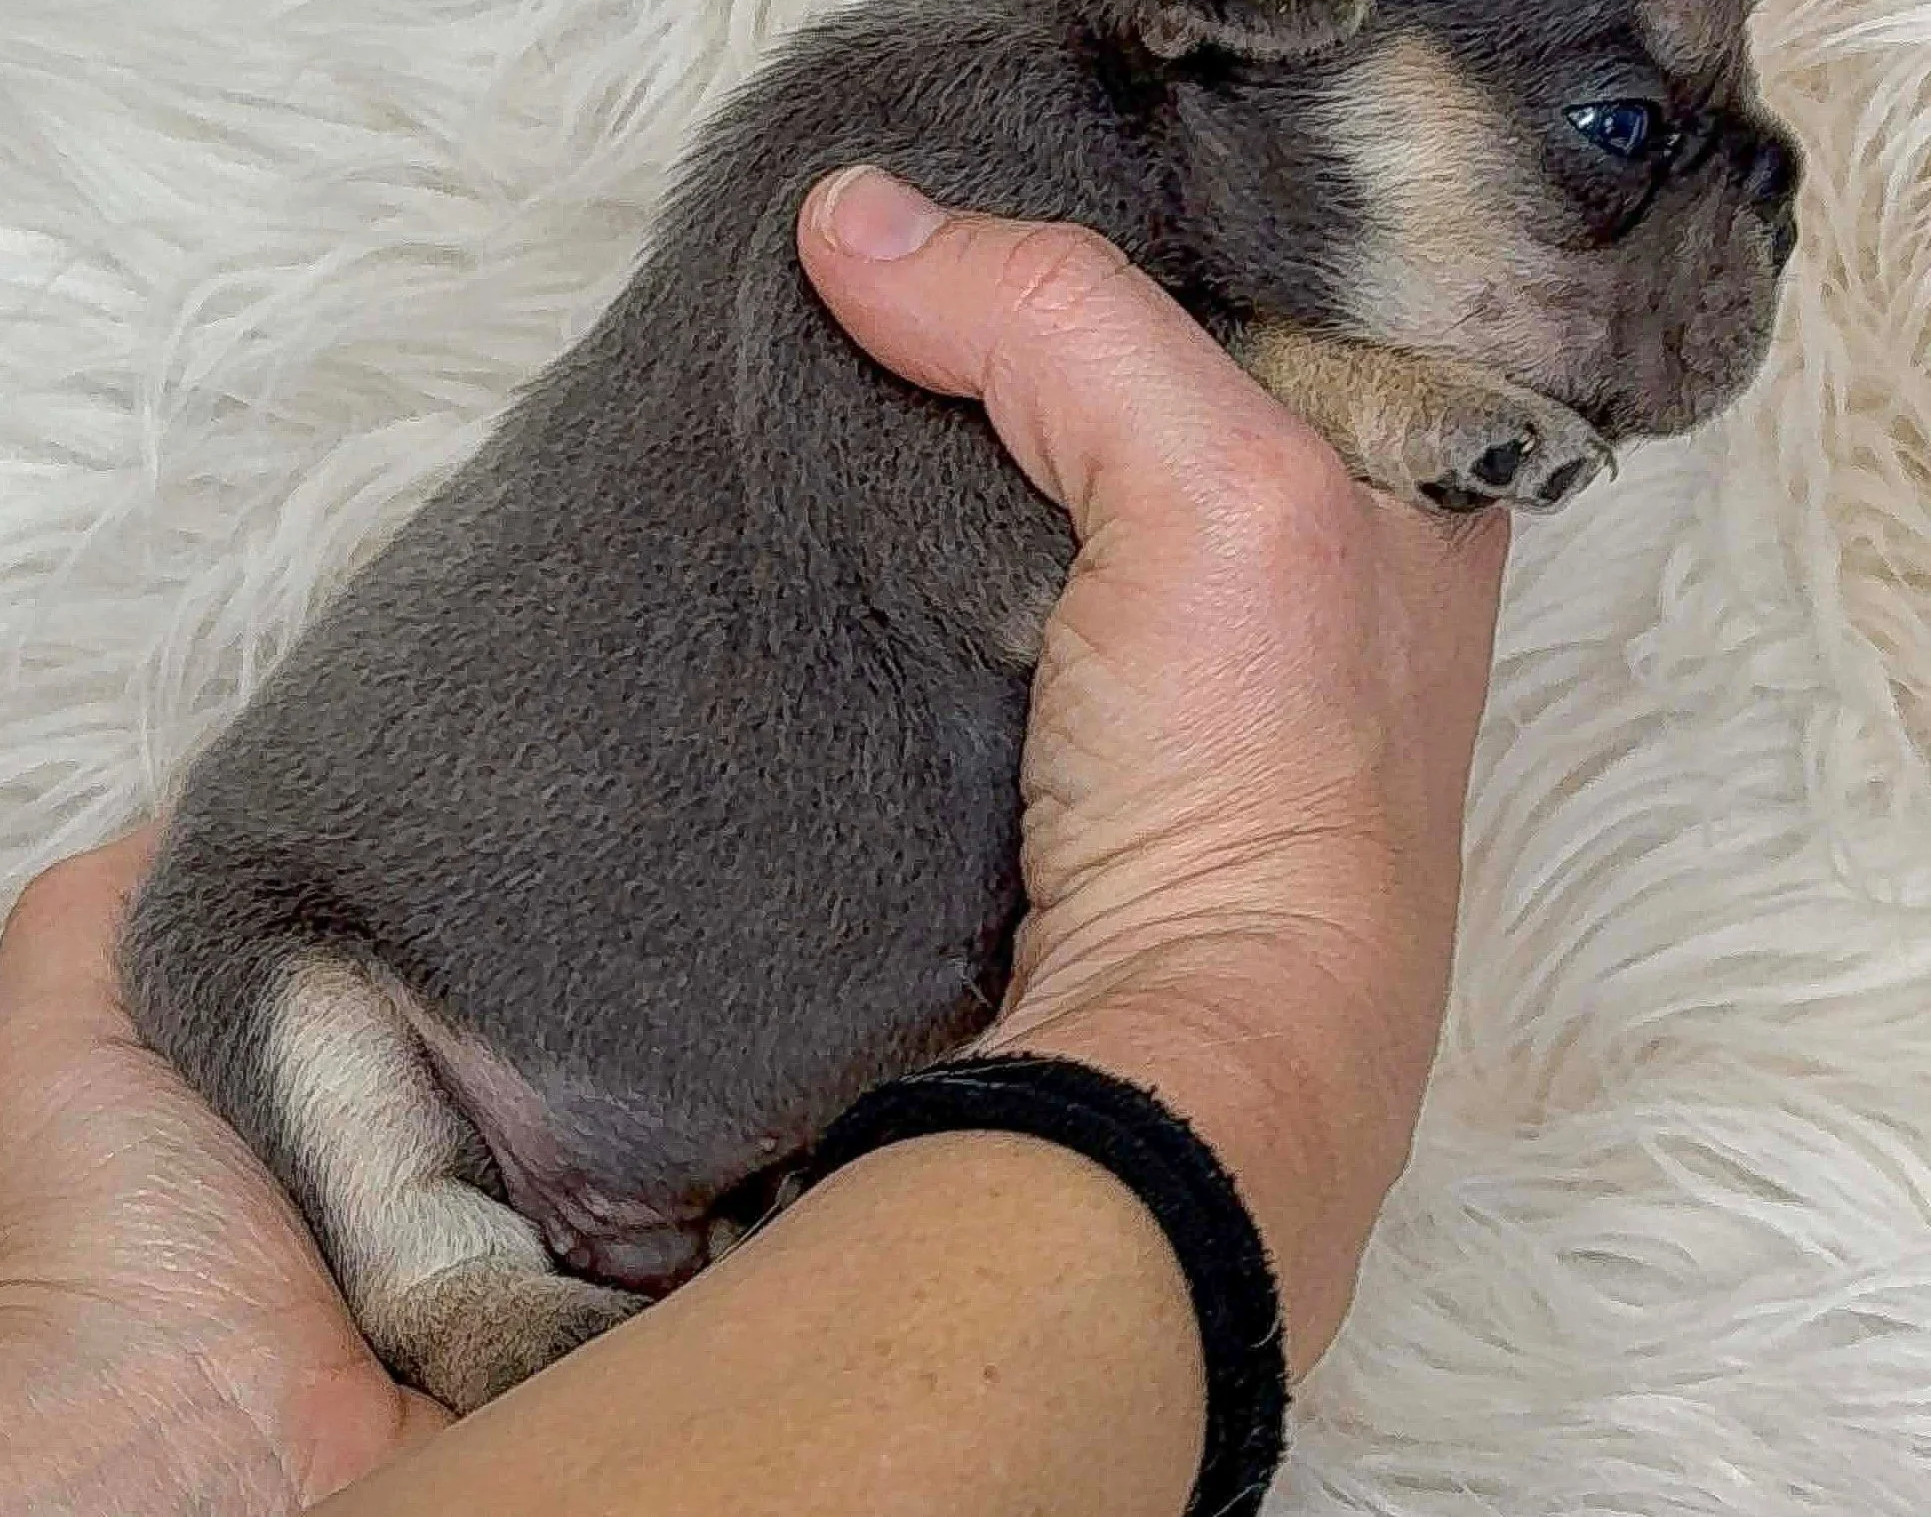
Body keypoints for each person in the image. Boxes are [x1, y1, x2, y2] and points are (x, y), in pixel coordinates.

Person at [0, 169, 1508, 1517]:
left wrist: (189, 1428)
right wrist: (1249, 980)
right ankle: (436, 1272)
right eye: (1611, 129)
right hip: (463, 1010)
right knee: (243, 924)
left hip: (746, 1118)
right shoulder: (914, 224)